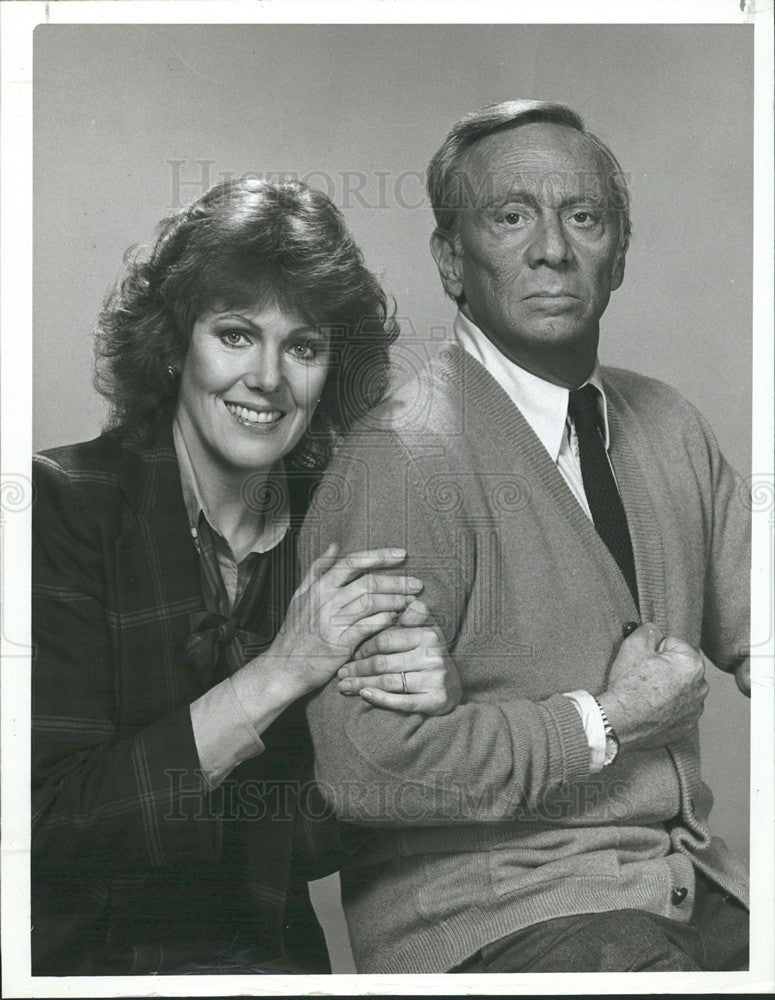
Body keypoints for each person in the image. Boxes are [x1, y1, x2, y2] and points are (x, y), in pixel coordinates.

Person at [303, 100, 751, 974]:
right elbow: (365, 770)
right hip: (494, 915)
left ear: (617, 252)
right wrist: (608, 720)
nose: (551, 248)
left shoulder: (666, 422)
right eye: (510, 217)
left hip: (679, 889)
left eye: (582, 218)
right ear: (450, 260)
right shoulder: (403, 458)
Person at [31, 177, 462, 975]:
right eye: (235, 335)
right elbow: (48, 825)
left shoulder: (337, 531)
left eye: (302, 346)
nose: (267, 377)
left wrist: (415, 726)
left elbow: (318, 838)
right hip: (78, 970)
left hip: (271, 966)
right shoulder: (61, 507)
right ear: (171, 344)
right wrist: (281, 672)